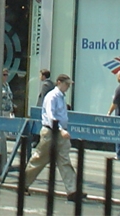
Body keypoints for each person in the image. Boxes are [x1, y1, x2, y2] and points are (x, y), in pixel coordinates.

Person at [23, 74, 79, 202]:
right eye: (66, 84)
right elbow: (50, 115)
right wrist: (60, 129)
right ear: (59, 82)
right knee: (39, 159)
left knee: (64, 160)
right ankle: (23, 184)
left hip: (60, 132)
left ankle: (73, 191)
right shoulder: (52, 96)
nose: (68, 87)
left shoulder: (61, 97)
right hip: (51, 132)